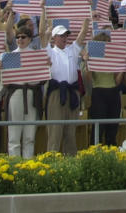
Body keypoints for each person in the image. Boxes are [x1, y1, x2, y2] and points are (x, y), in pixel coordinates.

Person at [45, 17, 89, 155]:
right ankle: (52, 161)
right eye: (61, 35)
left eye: (66, 35)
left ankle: (70, 163)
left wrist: (86, 21)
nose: (64, 38)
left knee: (70, 132)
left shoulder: (72, 50)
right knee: (55, 132)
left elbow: (81, 38)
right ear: (54, 38)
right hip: (57, 93)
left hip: (72, 93)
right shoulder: (50, 52)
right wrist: (47, 25)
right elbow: (42, 36)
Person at [5, 27, 45, 157]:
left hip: (32, 94)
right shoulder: (11, 56)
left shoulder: (36, 55)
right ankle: (14, 164)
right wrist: (2, 69)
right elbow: (6, 82)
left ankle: (28, 165)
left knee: (29, 135)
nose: (20, 39)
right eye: (18, 37)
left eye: (23, 37)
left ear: (30, 39)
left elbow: (42, 80)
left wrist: (46, 66)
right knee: (14, 135)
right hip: (16, 93)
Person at [84, 32, 125, 146]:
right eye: (104, 43)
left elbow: (117, 81)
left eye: (108, 43)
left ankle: (111, 150)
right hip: (99, 92)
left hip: (113, 92)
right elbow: (89, 78)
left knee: (113, 126)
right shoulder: (93, 57)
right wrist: (87, 61)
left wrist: (122, 66)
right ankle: (95, 152)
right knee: (98, 127)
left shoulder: (113, 58)